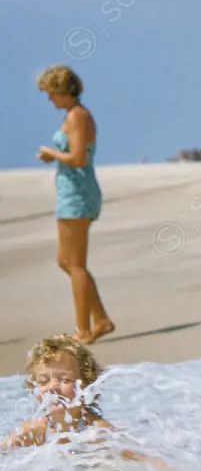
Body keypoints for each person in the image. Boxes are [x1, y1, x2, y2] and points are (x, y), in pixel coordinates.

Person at [36, 65, 115, 345]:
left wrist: (51, 153)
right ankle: (101, 318)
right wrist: (55, 156)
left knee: (76, 264)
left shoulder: (78, 116)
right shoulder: (73, 115)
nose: (49, 100)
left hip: (78, 195)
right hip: (72, 193)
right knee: (65, 261)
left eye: (50, 94)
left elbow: (79, 158)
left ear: (63, 91)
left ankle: (83, 330)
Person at [3, 334, 162, 468]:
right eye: (43, 382)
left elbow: (135, 457)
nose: (52, 387)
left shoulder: (95, 429)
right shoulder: (35, 430)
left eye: (65, 380)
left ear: (87, 386)